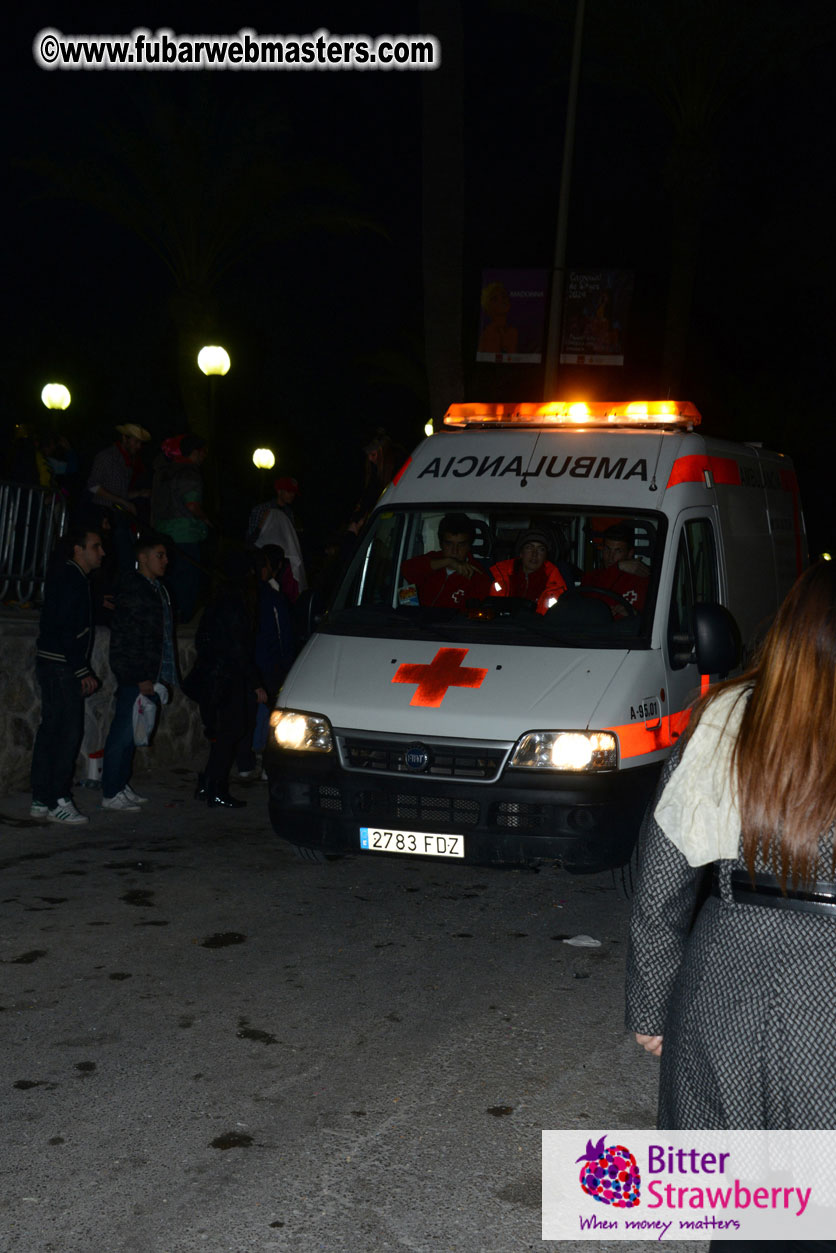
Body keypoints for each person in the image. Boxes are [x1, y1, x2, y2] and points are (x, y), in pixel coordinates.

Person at [626, 561, 836, 1145]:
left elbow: (661, 880)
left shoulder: (726, 715)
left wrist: (652, 1004)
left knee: (742, 1202)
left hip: (726, 980)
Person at [30, 528, 104, 824]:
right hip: (60, 665)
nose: (102, 552)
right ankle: (58, 798)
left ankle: (42, 797)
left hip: (56, 663)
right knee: (67, 731)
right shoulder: (71, 577)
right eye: (96, 546)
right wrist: (81, 668)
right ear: (78, 549)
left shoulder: (70, 577)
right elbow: (65, 626)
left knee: (52, 729)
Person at [100, 534, 177, 812]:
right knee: (122, 733)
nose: (165, 561)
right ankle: (110, 791)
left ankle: (120, 785)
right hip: (138, 674)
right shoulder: (135, 590)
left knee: (134, 731)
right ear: (142, 558)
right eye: (160, 555)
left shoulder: (157, 589)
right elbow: (128, 638)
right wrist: (138, 676)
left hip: (151, 673)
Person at [185, 551, 267, 808]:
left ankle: (209, 783)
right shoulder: (236, 604)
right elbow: (238, 649)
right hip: (227, 679)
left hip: (216, 677)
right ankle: (215, 788)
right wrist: (255, 683)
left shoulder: (218, 601)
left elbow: (204, 640)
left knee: (224, 735)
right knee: (230, 733)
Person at [151, 433, 210, 623]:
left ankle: (165, 617)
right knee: (187, 580)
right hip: (185, 535)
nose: (204, 457)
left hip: (162, 533)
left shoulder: (165, 471)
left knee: (167, 577)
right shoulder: (190, 472)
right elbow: (192, 505)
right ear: (196, 452)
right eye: (203, 453)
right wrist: (206, 520)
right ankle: (181, 620)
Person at [401, 513, 492, 610]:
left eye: (461, 545)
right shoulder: (431, 559)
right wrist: (448, 562)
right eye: (449, 544)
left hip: (450, 624)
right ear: (441, 544)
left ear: (469, 546)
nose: (455, 551)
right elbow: (405, 570)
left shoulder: (477, 576)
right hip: (417, 621)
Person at [490, 529, 567, 614]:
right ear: (521, 553)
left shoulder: (556, 584)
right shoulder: (497, 576)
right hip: (504, 626)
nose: (534, 554)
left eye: (541, 549)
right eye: (529, 548)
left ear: (546, 556)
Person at [581, 522, 649, 613]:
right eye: (607, 549)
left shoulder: (642, 580)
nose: (610, 557)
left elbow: (652, 617)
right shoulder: (591, 578)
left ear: (629, 553)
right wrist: (617, 567)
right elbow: (585, 609)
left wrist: (632, 613)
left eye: (618, 551)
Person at [254, 479, 306, 593]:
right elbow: (250, 539)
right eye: (289, 491)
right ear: (279, 491)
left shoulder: (289, 513)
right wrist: (261, 525)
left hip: (281, 566)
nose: (292, 495)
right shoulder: (262, 509)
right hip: (264, 562)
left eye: (293, 493)